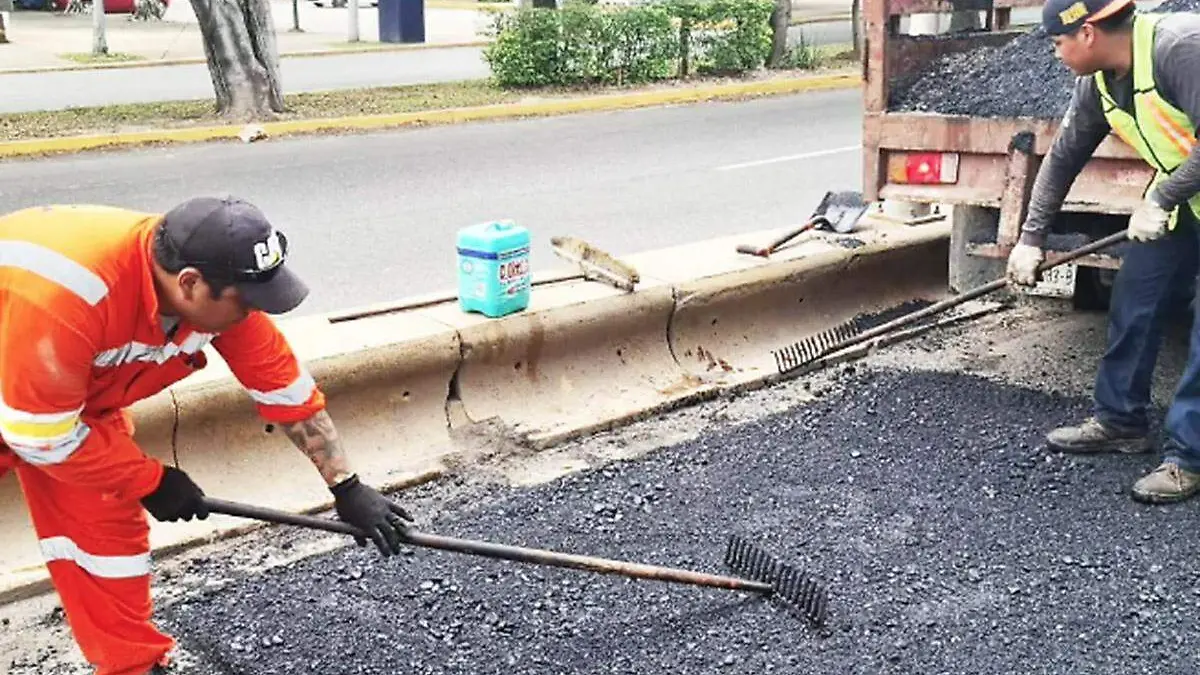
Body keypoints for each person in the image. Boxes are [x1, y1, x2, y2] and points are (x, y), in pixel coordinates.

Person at [0, 197, 415, 674]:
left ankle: (132, 665)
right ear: (190, 283)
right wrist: (152, 481)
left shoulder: (217, 293)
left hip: (61, 401)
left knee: (107, 535)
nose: (255, 313)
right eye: (248, 301)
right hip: (29, 384)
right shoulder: (71, 296)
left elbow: (284, 389)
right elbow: (40, 436)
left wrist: (347, 486)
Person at [1006, 0, 1200, 503]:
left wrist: (1160, 197)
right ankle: (1121, 420)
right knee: (1137, 297)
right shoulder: (1098, 82)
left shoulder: (1179, 49)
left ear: (1088, 33)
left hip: (1177, 194)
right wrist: (1031, 239)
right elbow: (1063, 157)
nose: (1055, 54)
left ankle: (1188, 457)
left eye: (1057, 43)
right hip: (1187, 199)